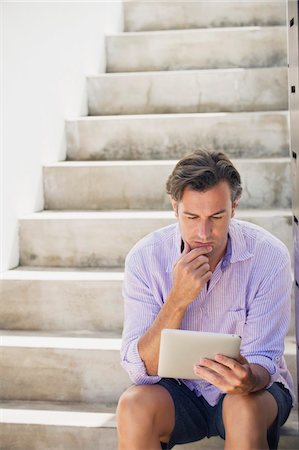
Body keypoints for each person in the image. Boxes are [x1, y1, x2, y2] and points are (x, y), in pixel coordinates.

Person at [117, 150, 294, 450]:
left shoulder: (269, 256)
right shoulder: (145, 258)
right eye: (191, 217)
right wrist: (177, 299)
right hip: (178, 391)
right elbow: (140, 369)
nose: (203, 233)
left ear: (234, 207)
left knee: (242, 409)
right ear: (175, 208)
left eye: (216, 217)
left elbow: (264, 359)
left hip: (251, 393)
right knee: (133, 406)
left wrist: (245, 380)